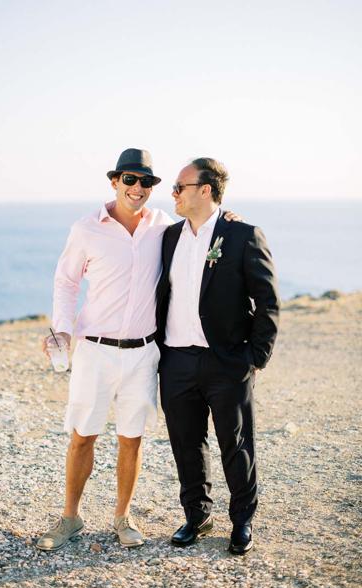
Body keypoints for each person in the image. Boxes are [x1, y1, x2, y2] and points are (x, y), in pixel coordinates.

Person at [36, 148, 239, 551]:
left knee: (132, 438)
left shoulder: (163, 226)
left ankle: (122, 517)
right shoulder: (85, 229)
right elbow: (66, 282)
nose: (138, 188)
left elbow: (204, 225)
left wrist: (227, 219)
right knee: (83, 436)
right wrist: (62, 331)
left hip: (144, 352)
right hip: (95, 350)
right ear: (115, 182)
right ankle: (70, 517)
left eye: (146, 182)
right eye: (129, 179)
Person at [156, 157, 280, 554]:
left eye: (180, 187)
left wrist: (255, 356)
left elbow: (267, 300)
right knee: (186, 443)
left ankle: (242, 520)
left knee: (236, 443)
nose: (173, 194)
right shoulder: (168, 237)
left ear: (205, 190)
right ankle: (197, 516)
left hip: (227, 361)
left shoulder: (242, 235)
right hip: (176, 359)